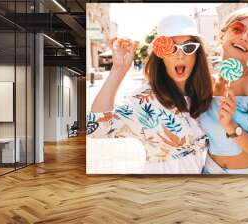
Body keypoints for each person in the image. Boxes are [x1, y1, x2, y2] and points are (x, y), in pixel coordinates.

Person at [87, 15, 213, 174]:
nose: (180, 55)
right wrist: (118, 69)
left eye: (188, 48)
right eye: (171, 48)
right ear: (160, 55)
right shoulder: (144, 100)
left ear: (197, 54)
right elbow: (96, 128)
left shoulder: (206, 97)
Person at [200, 8, 248, 174]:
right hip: (210, 172)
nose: (243, 37)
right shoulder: (207, 82)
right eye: (237, 29)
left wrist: (230, 125)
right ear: (222, 34)